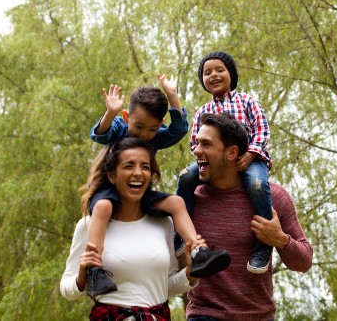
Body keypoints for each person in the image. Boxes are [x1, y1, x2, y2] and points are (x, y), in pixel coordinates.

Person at [86, 75, 230, 297]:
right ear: (126, 117)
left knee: (176, 202)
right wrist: (111, 112)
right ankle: (94, 270)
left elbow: (179, 130)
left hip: (141, 193)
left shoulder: (155, 138)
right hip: (109, 191)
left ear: (159, 125)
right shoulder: (119, 127)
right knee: (103, 207)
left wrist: (172, 95)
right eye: (139, 126)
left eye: (152, 129)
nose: (144, 135)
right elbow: (99, 135)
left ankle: (198, 251)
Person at [61, 137, 207, 320]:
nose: (138, 173)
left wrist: (190, 274)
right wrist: (81, 277)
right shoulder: (89, 225)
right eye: (129, 166)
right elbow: (67, 289)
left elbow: (166, 286)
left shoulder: (164, 224)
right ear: (111, 175)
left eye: (145, 167)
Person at [185, 113, 313, 321]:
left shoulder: (273, 198)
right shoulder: (189, 201)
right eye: (197, 143)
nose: (197, 150)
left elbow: (304, 261)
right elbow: (171, 266)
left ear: (232, 152)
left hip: (259, 316)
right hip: (205, 314)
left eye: (206, 144)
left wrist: (280, 240)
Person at [176, 51, 274, 274]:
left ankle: (263, 243)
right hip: (215, 162)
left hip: (251, 160)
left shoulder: (247, 102)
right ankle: (180, 232)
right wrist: (204, 156)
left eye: (220, 70)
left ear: (231, 74)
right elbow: (195, 143)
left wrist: (249, 154)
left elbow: (261, 131)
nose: (213, 75)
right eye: (207, 72)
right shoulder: (203, 111)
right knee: (185, 176)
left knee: (257, 185)